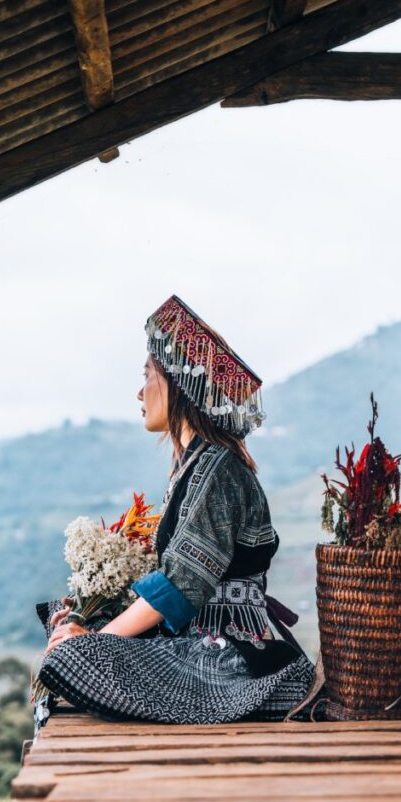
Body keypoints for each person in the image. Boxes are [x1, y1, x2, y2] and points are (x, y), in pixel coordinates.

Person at [34, 294, 325, 727]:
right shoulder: (198, 463)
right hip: (198, 640)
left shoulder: (218, 469)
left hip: (231, 655)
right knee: (65, 625)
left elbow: (180, 586)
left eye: (148, 375)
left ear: (179, 385)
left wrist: (94, 639)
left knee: (71, 656)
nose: (139, 391)